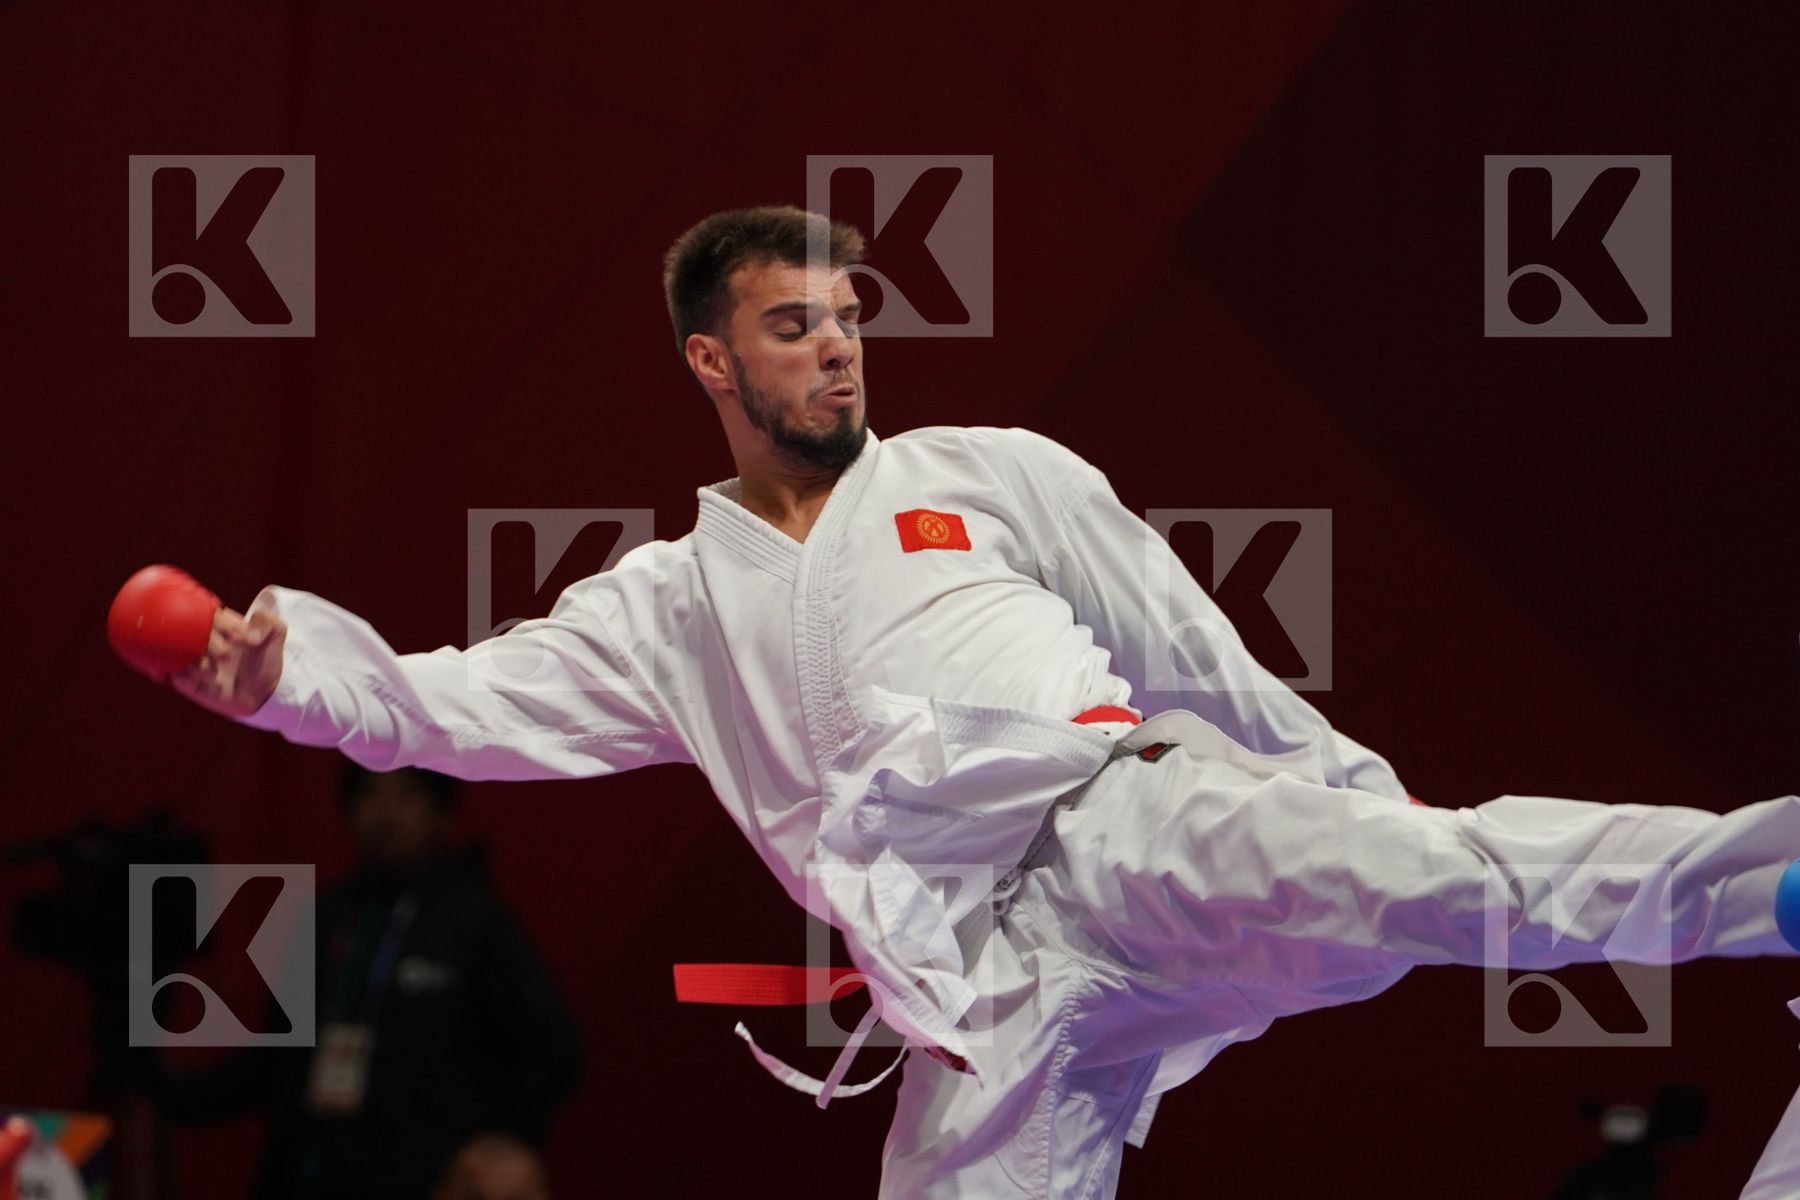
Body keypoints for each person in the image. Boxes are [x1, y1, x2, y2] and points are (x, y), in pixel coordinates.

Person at [161, 205, 1800, 1198]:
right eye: (793, 328)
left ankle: (1782, 881)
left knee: (1453, 875)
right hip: (980, 993)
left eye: (849, 320)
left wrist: (1345, 788)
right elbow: (447, 706)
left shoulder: (987, 473)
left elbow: (1193, 653)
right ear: (711, 363)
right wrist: (284, 675)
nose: (839, 352)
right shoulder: (667, 606)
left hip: (1131, 826)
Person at [157, 764, 580, 1200]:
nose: (386, 812)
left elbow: (552, 1046)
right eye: (370, 792)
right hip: (318, 1171)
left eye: (409, 793)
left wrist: (502, 1140)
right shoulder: (325, 917)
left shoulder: (475, 923)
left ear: (442, 812)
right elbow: (275, 1062)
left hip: (425, 1175)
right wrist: (167, 1087)